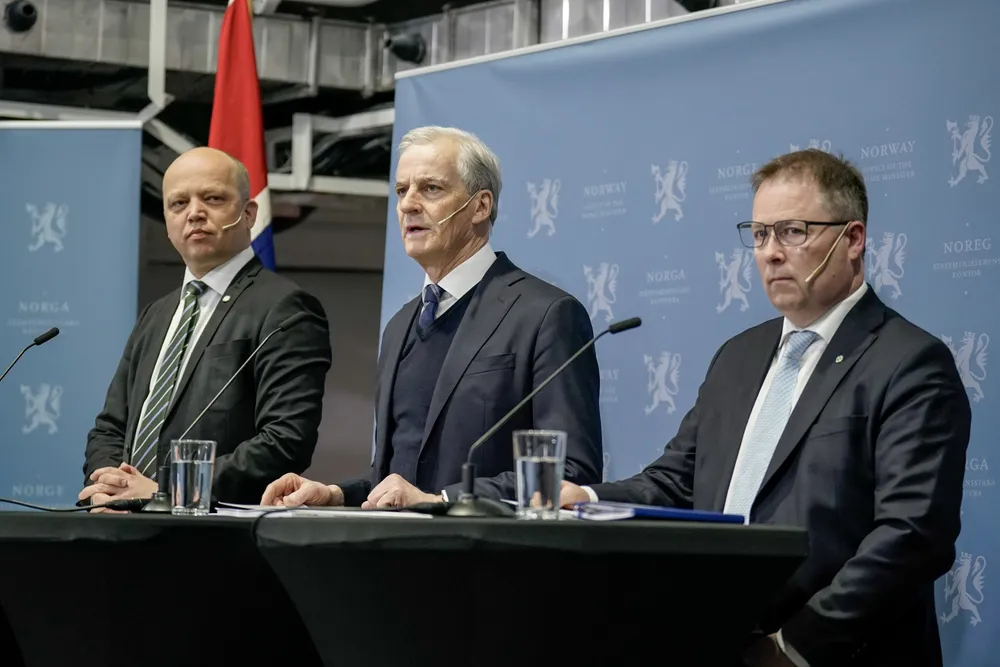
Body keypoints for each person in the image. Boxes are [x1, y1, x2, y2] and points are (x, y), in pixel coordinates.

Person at [561, 149, 969, 667]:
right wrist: (585, 497)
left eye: (793, 232)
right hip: (715, 640)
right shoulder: (738, 356)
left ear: (853, 239)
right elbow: (677, 481)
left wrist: (792, 647)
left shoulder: (909, 362)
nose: (771, 253)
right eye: (758, 235)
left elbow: (913, 536)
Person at [261, 125, 602, 509]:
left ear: (480, 206)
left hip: (487, 545)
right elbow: (397, 476)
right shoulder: (399, 327)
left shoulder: (545, 315)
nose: (408, 204)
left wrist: (441, 500)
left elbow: (570, 472)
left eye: (431, 188)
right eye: (401, 190)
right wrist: (335, 494)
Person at [79, 147, 332, 510]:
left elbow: (286, 440)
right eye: (178, 203)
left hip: (215, 532)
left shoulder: (286, 309)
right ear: (167, 222)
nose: (194, 213)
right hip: (125, 526)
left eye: (212, 198)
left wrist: (164, 489)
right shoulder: (156, 314)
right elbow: (110, 427)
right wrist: (108, 485)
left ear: (249, 213)